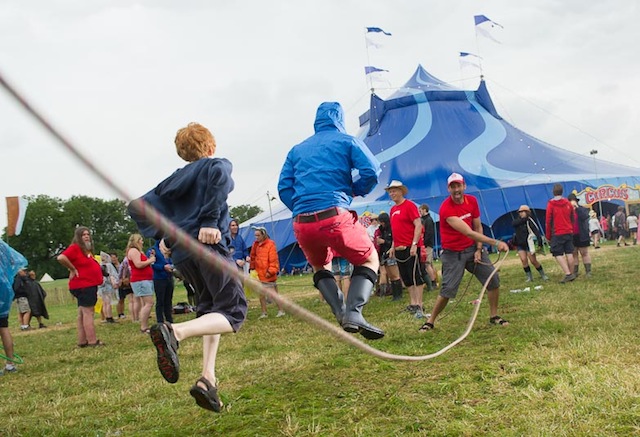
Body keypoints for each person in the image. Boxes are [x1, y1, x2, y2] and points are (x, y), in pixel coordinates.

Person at [129, 122, 247, 413]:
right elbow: (220, 177)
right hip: (208, 247)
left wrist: (165, 238)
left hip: (183, 256)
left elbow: (136, 206)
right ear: (211, 146)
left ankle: (208, 379)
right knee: (233, 313)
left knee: (212, 312)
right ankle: (174, 333)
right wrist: (208, 221)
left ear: (182, 153)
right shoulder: (214, 165)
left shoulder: (172, 181)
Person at [278, 101, 384, 340]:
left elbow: (283, 187)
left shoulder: (297, 149)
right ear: (340, 120)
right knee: (369, 258)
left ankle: (340, 311)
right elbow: (371, 171)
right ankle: (354, 312)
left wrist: (302, 207)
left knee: (320, 267)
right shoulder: (347, 141)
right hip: (334, 216)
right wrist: (355, 190)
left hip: (302, 223)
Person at [420, 173, 510, 332]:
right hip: (453, 254)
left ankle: (494, 316)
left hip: (472, 249)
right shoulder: (446, 208)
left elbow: (477, 227)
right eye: (453, 186)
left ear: (464, 186)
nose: (456, 189)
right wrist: (496, 242)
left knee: (493, 280)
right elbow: (468, 232)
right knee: (448, 290)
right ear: (448, 188)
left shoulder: (472, 201)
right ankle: (430, 321)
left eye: (458, 185)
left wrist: (478, 248)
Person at [57, 226, 105, 347]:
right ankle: (92, 341)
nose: (86, 236)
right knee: (89, 312)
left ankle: (82, 341)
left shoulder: (86, 251)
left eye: (88, 234)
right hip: (84, 285)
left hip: (87, 284)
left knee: (82, 313)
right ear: (78, 237)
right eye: (83, 235)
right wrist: (72, 268)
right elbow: (61, 257)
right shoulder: (75, 248)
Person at [386, 180, 427, 318]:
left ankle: (420, 304)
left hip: (411, 247)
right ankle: (413, 303)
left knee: (416, 275)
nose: (392, 193)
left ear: (401, 191)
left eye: (394, 191)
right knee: (406, 277)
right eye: (390, 191)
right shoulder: (392, 210)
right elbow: (395, 230)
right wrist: (392, 247)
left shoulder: (409, 205)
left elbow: (418, 225)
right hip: (399, 248)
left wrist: (415, 244)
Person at [0, 240, 27, 375]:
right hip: (4, 290)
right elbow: (16, 261)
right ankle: (10, 364)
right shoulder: (2, 246)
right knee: (3, 326)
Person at [250, 226, 284, 318]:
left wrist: (271, 271)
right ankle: (264, 312)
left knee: (274, 294)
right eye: (255, 235)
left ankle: (281, 310)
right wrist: (252, 268)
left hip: (268, 274)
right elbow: (253, 257)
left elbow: (274, 260)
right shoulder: (255, 244)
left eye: (258, 235)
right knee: (261, 295)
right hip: (259, 274)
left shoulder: (270, 244)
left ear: (263, 234)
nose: (256, 237)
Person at [545, 183, 576, 283]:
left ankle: (568, 273)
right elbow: (573, 216)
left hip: (557, 232)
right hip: (568, 231)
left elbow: (548, 221)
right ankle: (571, 273)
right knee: (569, 252)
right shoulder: (568, 203)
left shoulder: (551, 204)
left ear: (553, 192)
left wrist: (548, 235)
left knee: (557, 253)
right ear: (562, 191)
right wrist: (570, 226)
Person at [126, 234, 155, 333]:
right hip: (141, 280)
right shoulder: (133, 251)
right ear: (136, 241)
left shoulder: (138, 251)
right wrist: (150, 261)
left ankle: (145, 324)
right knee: (149, 303)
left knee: (147, 303)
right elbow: (138, 264)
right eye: (141, 240)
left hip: (145, 279)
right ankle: (143, 326)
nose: (142, 242)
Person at [511, 205, 549, 283]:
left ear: (527, 212)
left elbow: (536, 232)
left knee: (533, 261)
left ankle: (543, 274)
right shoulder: (517, 221)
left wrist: (539, 243)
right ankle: (529, 277)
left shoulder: (530, 221)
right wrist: (524, 219)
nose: (521, 213)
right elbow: (514, 224)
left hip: (529, 244)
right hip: (520, 244)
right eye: (520, 212)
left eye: (523, 212)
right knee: (523, 260)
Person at [373, 212, 402, 299]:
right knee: (389, 274)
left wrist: (384, 241)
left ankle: (398, 294)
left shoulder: (392, 229)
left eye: (381, 222)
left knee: (395, 274)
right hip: (384, 253)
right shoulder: (381, 230)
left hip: (391, 252)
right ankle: (394, 294)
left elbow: (395, 241)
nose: (380, 224)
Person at [149, 240, 175, 324]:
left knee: (169, 299)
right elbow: (152, 264)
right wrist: (163, 267)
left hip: (169, 277)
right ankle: (160, 320)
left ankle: (169, 319)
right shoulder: (153, 250)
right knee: (160, 300)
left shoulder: (169, 248)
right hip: (159, 278)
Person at [568, 194, 593, 278]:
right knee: (574, 254)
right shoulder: (567, 211)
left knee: (584, 253)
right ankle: (575, 272)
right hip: (572, 235)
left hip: (582, 234)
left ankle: (588, 271)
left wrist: (577, 208)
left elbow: (585, 216)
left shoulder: (582, 209)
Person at [419, 204, 439, 290]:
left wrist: (424, 243)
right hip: (425, 244)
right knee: (429, 263)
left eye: (420, 211)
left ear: (424, 210)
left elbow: (429, 234)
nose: (419, 212)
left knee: (427, 264)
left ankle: (433, 281)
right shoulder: (424, 220)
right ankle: (432, 280)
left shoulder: (429, 220)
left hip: (427, 245)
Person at [98, 252, 119, 323]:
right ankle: (109, 317)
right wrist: (114, 282)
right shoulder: (109, 266)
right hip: (108, 286)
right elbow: (112, 275)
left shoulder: (99, 266)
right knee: (108, 302)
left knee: (104, 303)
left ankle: (106, 316)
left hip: (101, 286)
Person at [117, 255, 138, 321]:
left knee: (130, 301)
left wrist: (121, 279)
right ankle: (136, 317)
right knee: (135, 300)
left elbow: (120, 272)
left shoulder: (123, 262)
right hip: (134, 279)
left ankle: (132, 317)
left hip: (125, 282)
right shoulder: (135, 259)